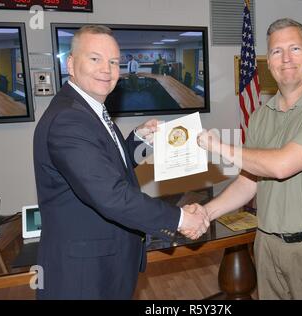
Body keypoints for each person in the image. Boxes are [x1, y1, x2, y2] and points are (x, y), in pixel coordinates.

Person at [33, 25, 209, 300]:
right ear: (71, 64)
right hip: (83, 276)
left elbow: (102, 166)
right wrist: (181, 218)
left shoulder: (87, 108)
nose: (107, 69)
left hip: (102, 265)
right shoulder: (69, 119)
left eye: (114, 61)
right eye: (95, 58)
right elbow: (111, 195)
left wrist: (139, 142)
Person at [197, 18, 302, 300]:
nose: (286, 59)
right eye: (276, 51)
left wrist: (218, 145)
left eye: (294, 48)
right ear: (268, 63)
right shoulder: (260, 116)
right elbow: (249, 182)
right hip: (268, 248)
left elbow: (281, 166)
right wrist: (206, 214)